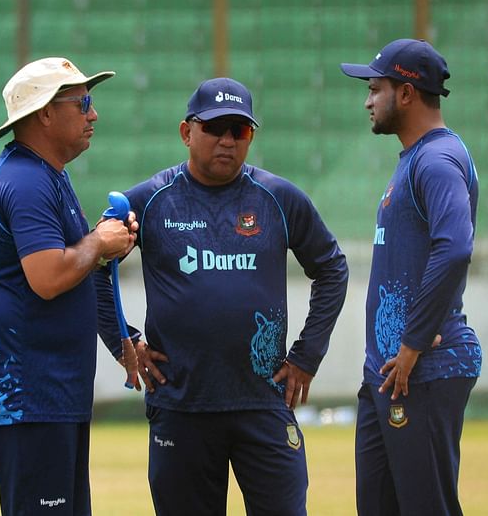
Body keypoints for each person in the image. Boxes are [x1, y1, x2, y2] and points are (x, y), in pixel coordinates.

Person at [95, 77, 349, 515]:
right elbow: (94, 265)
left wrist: (307, 355)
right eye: (215, 128)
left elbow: (332, 269)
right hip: (181, 406)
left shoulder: (280, 199)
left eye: (241, 130)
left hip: (264, 402)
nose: (228, 140)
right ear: (186, 132)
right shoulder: (150, 201)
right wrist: (124, 341)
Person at [0, 57, 138, 516]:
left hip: (44, 395)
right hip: (28, 396)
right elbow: (49, 277)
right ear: (43, 113)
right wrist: (99, 241)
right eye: (83, 103)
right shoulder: (26, 180)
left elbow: (71, 263)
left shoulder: (42, 174)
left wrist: (102, 244)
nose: (93, 115)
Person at [340, 39, 482, 516]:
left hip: (422, 369)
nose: (367, 100)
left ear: (406, 94)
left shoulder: (436, 161)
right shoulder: (415, 160)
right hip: (389, 373)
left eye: (375, 88)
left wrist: (414, 342)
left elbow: (456, 246)